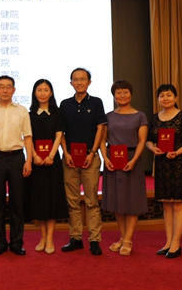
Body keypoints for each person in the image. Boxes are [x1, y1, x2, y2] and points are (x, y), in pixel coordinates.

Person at [0, 75, 33, 256]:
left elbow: (28, 137)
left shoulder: (22, 111)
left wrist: (28, 160)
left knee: (18, 202)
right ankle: (0, 242)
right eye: (1, 86)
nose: (5, 90)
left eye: (8, 86)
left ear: (14, 90)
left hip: (17, 158)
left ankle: (17, 242)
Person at [145, 84, 182, 258]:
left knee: (178, 203)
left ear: (175, 97)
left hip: (178, 164)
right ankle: (168, 242)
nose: (165, 98)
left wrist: (178, 152)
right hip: (162, 164)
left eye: (168, 95)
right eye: (162, 96)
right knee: (166, 204)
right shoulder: (155, 117)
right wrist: (153, 148)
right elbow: (149, 140)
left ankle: (176, 243)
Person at [59, 68, 106, 255]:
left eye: (82, 79)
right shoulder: (64, 104)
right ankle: (76, 238)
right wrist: (66, 153)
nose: (79, 82)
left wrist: (93, 152)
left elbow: (100, 129)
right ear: (71, 82)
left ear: (89, 82)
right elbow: (61, 132)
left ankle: (94, 240)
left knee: (91, 201)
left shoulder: (96, 102)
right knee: (72, 201)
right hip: (70, 158)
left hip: (90, 157)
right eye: (75, 79)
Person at [98, 80, 148, 256]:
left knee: (132, 201)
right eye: (118, 93)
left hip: (132, 160)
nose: (122, 95)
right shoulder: (108, 116)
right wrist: (105, 158)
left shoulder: (140, 116)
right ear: (114, 96)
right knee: (117, 201)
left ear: (131, 94)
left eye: (125, 92)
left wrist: (133, 160)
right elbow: (102, 140)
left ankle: (128, 240)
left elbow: (142, 141)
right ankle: (123, 237)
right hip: (113, 161)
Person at [25, 79, 68, 255]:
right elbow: (28, 137)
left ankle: (50, 238)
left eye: (46, 90)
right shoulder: (29, 115)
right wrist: (34, 156)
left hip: (52, 162)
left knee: (52, 200)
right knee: (39, 200)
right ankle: (42, 237)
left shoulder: (58, 113)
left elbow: (59, 135)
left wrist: (51, 155)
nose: (42, 93)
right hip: (35, 162)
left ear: (51, 93)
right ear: (35, 93)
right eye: (39, 90)